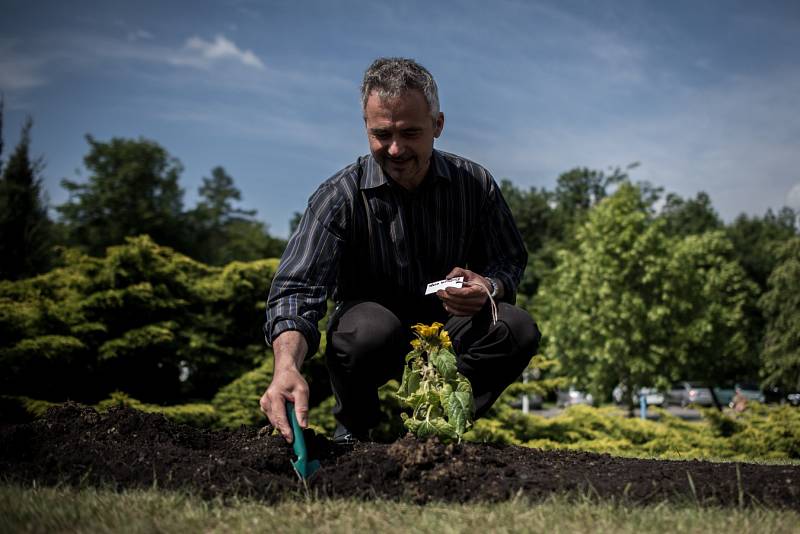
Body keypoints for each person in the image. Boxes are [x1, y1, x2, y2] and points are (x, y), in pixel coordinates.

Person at [260, 57, 541, 444]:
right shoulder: (340, 196)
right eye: (381, 134)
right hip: (373, 335)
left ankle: (436, 427)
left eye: (410, 133)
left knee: (516, 327)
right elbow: (297, 289)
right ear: (366, 127)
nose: (395, 149)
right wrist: (286, 366)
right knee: (365, 332)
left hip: (450, 333)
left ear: (438, 125)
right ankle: (354, 433)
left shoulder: (474, 185)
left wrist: (489, 286)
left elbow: (509, 259)